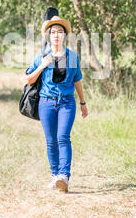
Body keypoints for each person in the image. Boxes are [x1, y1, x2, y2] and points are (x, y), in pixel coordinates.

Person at [24, 15, 88, 192]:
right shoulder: (41, 56)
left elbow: (78, 81)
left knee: (63, 138)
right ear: (49, 36)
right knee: (51, 141)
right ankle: (55, 176)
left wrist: (83, 103)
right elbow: (29, 79)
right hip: (46, 103)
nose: (57, 35)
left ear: (65, 36)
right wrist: (42, 65)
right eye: (53, 32)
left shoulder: (72, 57)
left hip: (67, 103)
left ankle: (64, 176)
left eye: (60, 32)